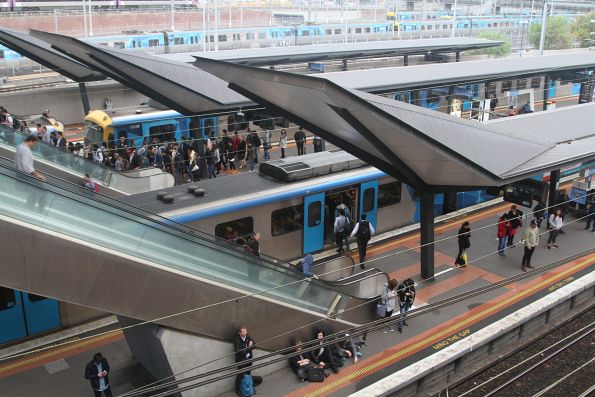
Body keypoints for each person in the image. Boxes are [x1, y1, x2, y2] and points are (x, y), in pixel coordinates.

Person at [234, 326, 255, 395]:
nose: (245, 332)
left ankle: (249, 387)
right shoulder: (237, 340)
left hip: (249, 359)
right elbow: (240, 351)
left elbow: (254, 345)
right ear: (240, 333)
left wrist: (250, 346)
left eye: (246, 330)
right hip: (241, 361)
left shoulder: (248, 336)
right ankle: (237, 389)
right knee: (240, 375)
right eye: (243, 331)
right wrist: (249, 347)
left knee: (248, 374)